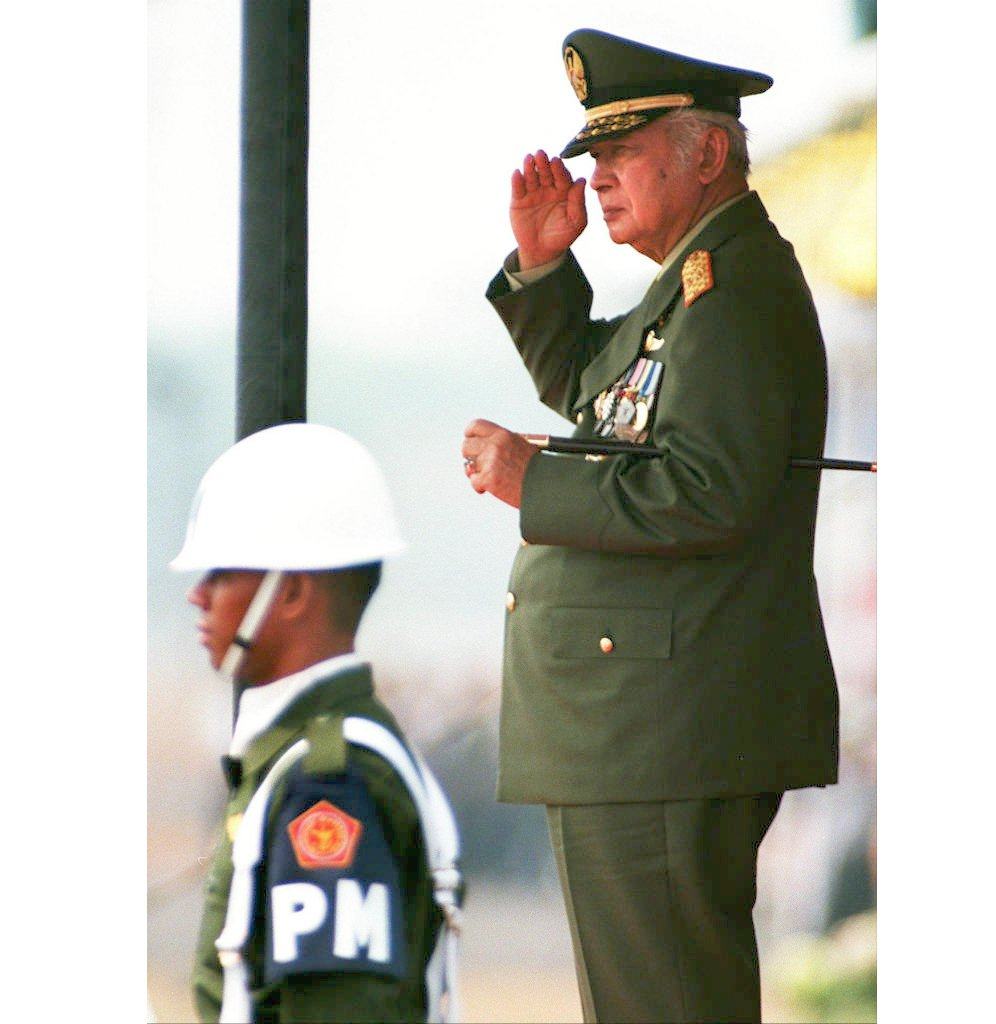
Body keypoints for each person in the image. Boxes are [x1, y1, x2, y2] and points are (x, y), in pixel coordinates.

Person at [461, 27, 839, 1024]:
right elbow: (603, 399)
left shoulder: (732, 291)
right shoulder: (693, 284)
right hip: (646, 728)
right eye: (594, 156)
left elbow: (708, 492)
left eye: (622, 152)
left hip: (666, 728)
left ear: (706, 153)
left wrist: (534, 483)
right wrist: (544, 265)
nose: (598, 179)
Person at [170, 423, 461, 1024]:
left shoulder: (329, 782)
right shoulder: (305, 757)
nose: (198, 595)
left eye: (222, 572)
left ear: (292, 593)